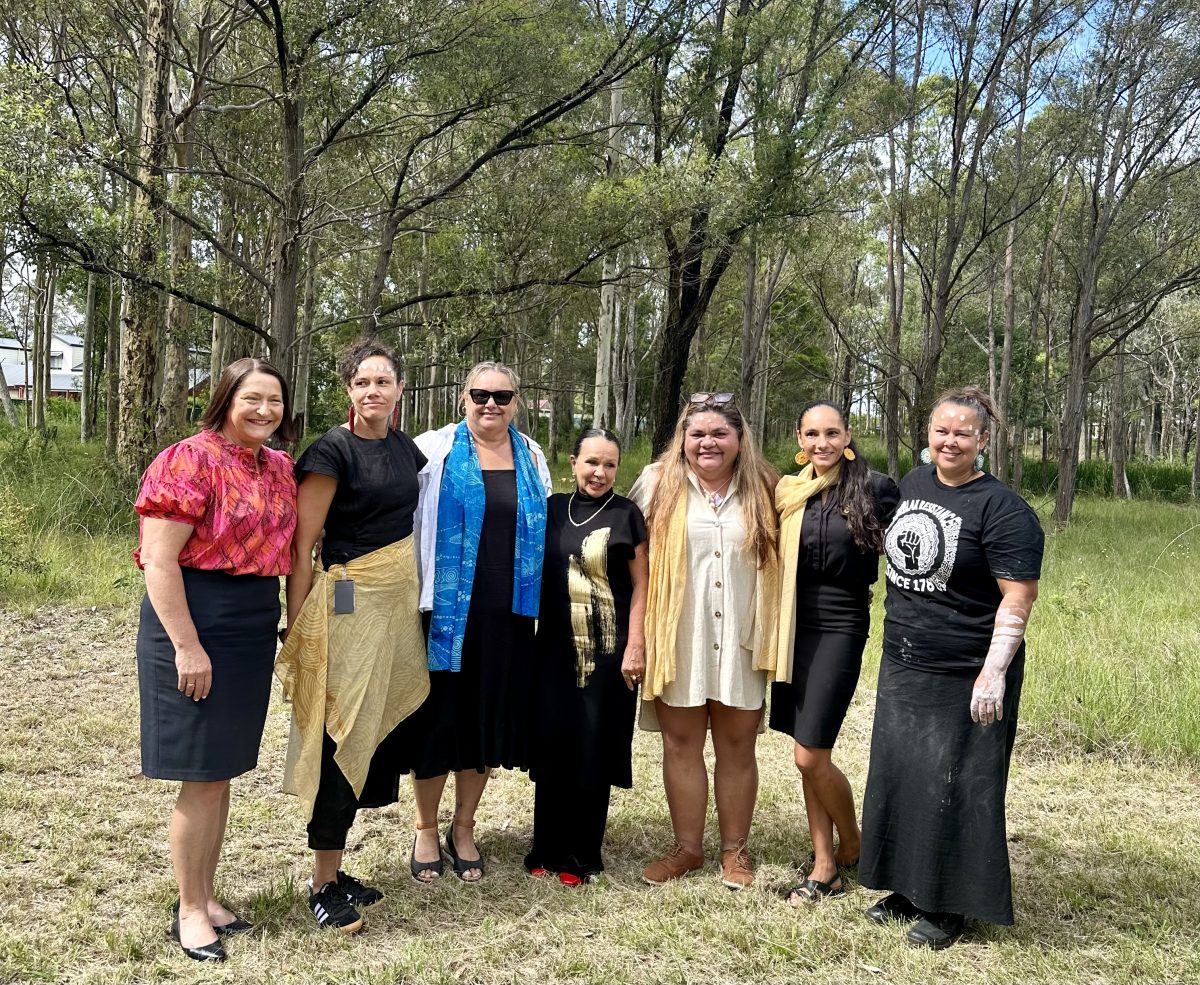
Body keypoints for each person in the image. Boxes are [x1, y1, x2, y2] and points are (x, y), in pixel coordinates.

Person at [859, 386, 1043, 949]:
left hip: (967, 668)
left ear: (983, 440)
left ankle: (950, 907)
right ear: (928, 436)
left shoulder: (1003, 509)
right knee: (905, 777)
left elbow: (1018, 599)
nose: (951, 441)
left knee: (960, 785)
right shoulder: (913, 487)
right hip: (906, 662)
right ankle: (908, 889)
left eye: (964, 432)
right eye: (942, 430)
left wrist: (993, 673)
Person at [134, 358, 298, 962]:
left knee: (221, 772)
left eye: (274, 401)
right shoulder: (188, 458)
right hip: (195, 616)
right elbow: (159, 560)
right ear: (226, 399)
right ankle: (189, 910)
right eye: (251, 399)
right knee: (200, 776)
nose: (264, 411)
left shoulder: (279, 466)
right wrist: (186, 645)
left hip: (252, 621)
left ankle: (205, 895)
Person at [275, 340, 430, 934]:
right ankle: (321, 883)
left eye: (383, 382)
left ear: (398, 389)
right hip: (345, 600)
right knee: (343, 729)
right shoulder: (330, 452)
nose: (373, 392)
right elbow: (303, 547)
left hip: (395, 605)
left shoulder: (404, 449)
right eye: (362, 382)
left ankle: (337, 871)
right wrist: (298, 622)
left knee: (374, 729)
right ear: (349, 390)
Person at [401, 361, 552, 882]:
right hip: (446, 612)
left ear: (517, 400)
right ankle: (425, 827)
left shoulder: (531, 456)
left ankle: (463, 826)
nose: (491, 404)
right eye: (480, 394)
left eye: (502, 395)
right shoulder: (432, 450)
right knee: (439, 722)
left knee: (485, 724)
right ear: (463, 397)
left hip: (507, 616)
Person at [629, 393, 781, 890]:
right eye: (697, 434)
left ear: (739, 439)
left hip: (741, 635)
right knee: (681, 743)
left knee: (737, 747)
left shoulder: (766, 486)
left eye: (720, 434)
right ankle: (687, 849)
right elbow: (633, 561)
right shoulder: (657, 483)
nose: (708, 443)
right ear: (683, 439)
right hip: (679, 635)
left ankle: (735, 852)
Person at [771, 401, 899, 905]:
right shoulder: (788, 491)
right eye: (811, 434)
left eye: (831, 433)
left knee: (810, 753)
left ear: (847, 436)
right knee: (806, 752)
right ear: (799, 440)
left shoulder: (876, 488)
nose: (821, 443)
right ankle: (827, 859)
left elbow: (912, 548)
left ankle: (850, 846)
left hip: (842, 623)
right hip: (790, 625)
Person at [524, 428, 649, 886]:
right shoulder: (553, 509)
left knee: (594, 745)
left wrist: (636, 645)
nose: (600, 472)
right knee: (554, 742)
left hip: (608, 654)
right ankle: (546, 845)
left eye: (610, 465)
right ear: (573, 463)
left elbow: (642, 587)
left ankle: (581, 853)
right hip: (553, 651)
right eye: (591, 462)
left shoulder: (627, 515)